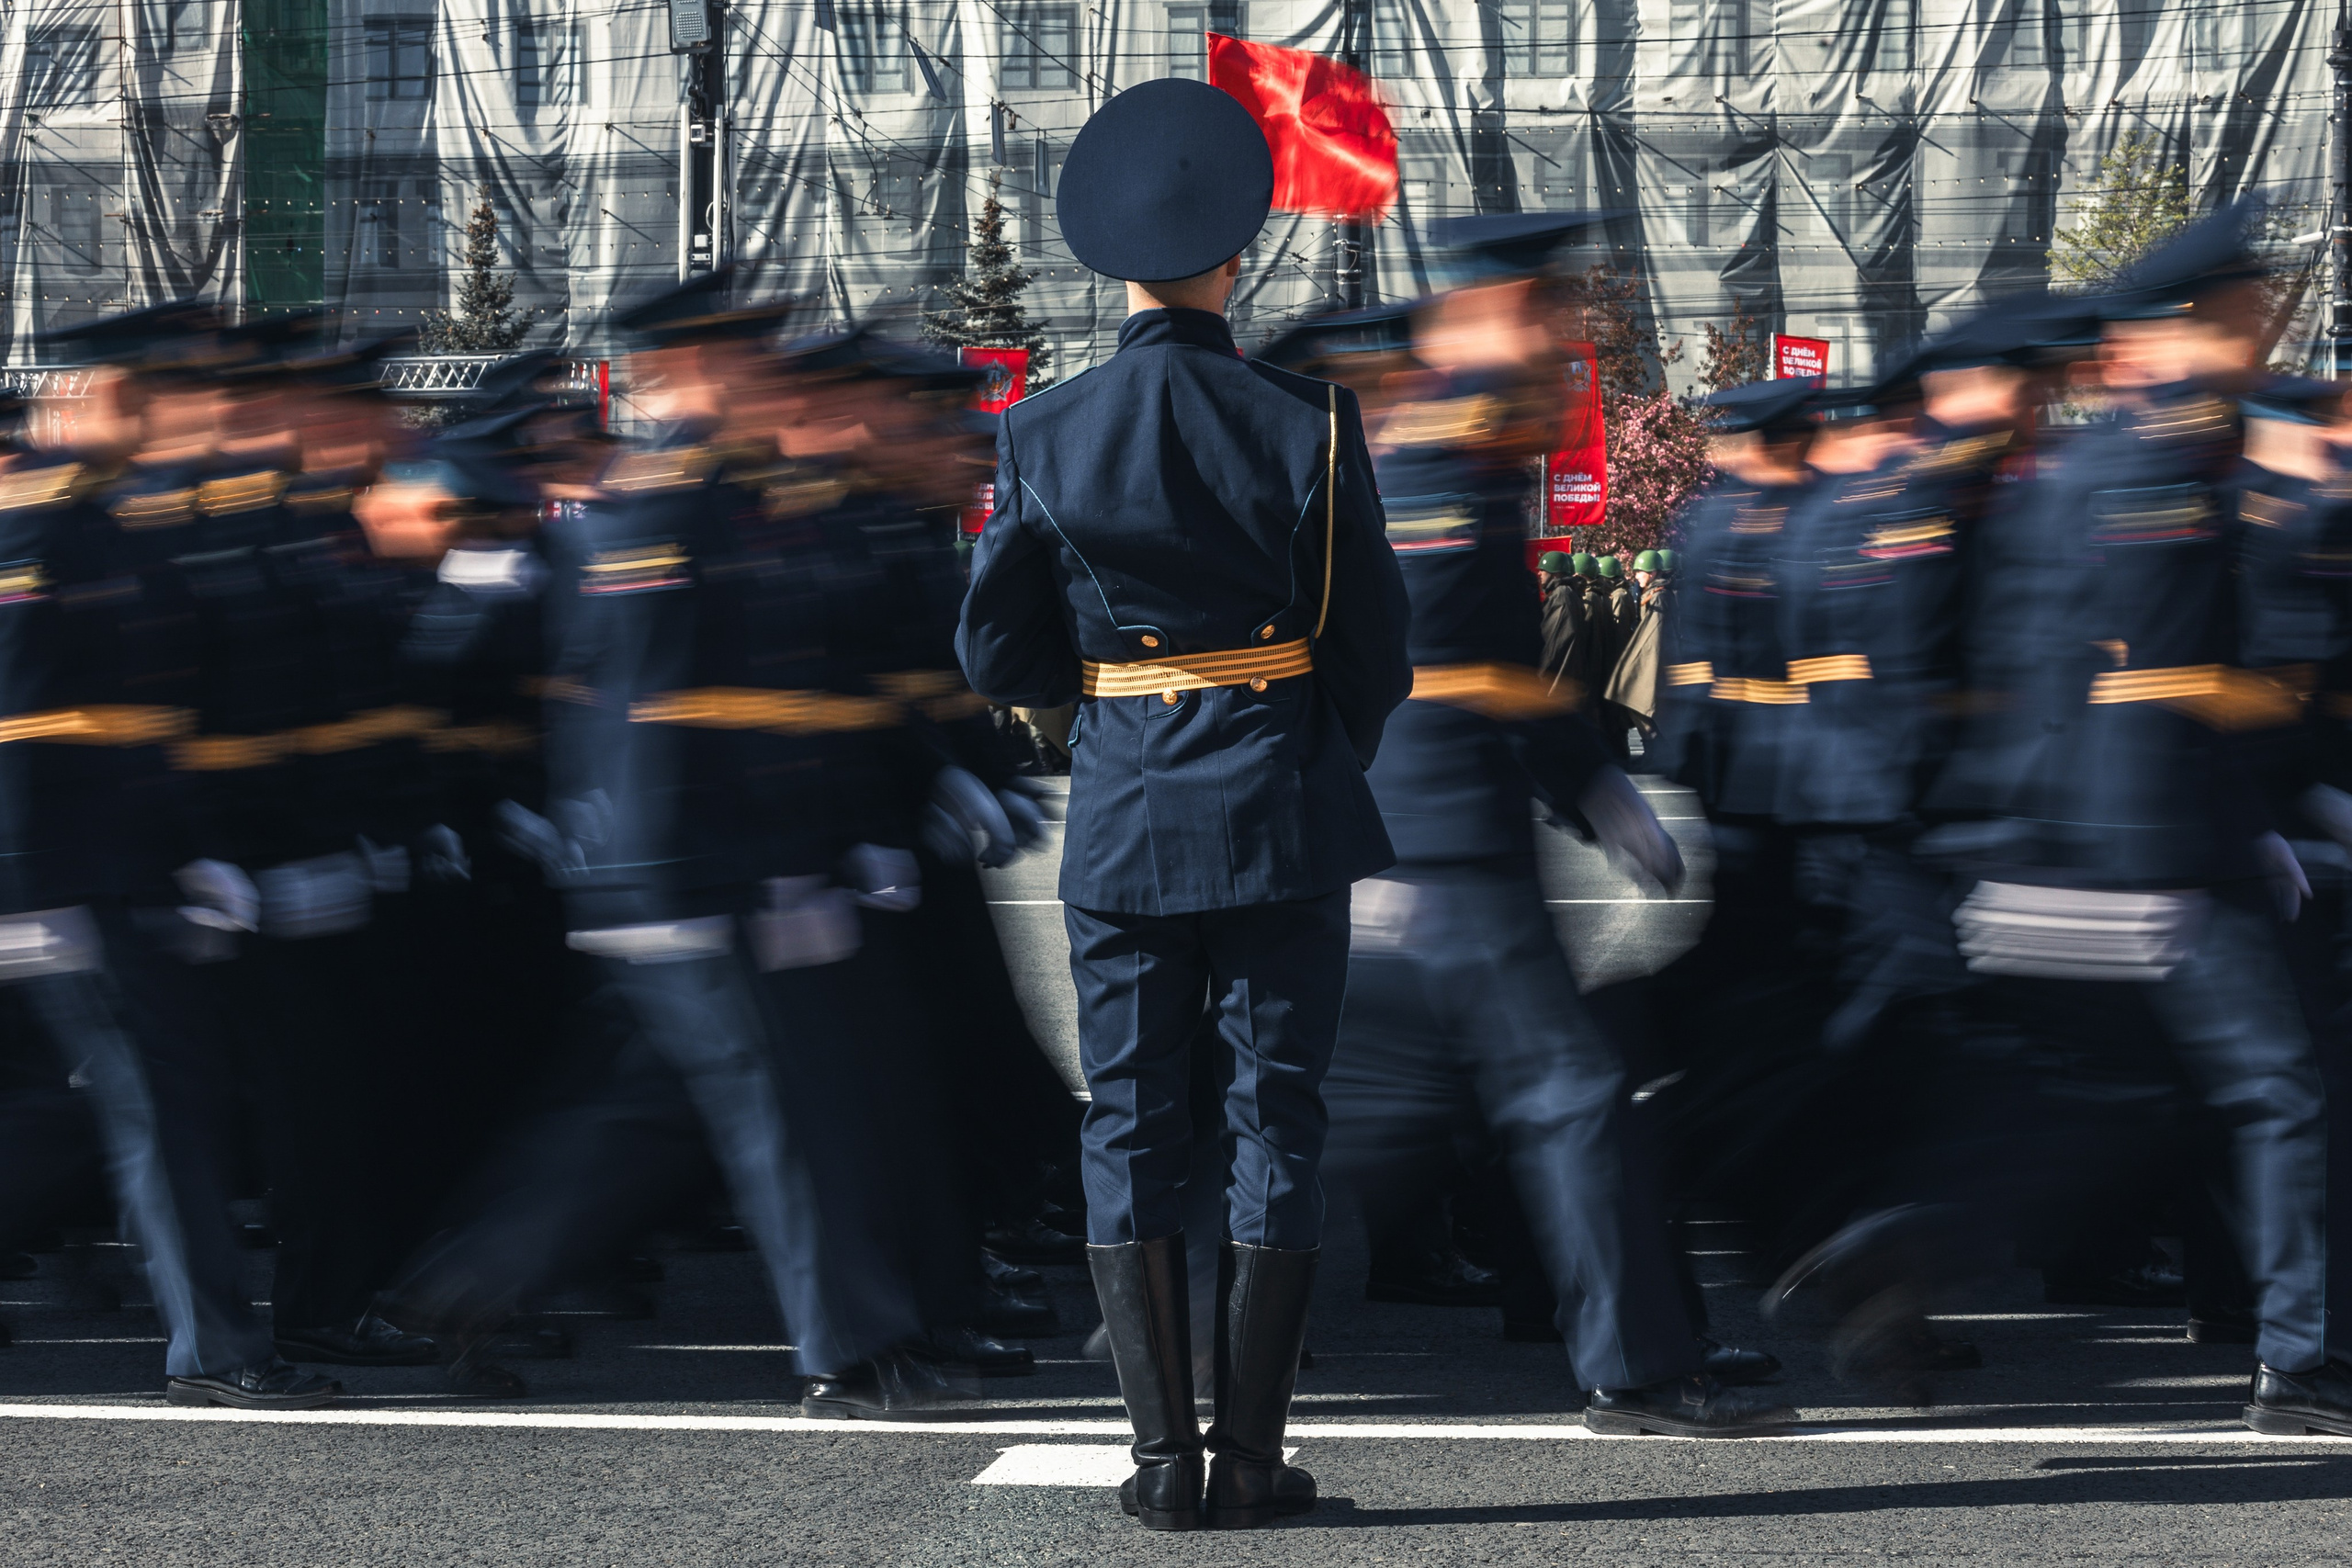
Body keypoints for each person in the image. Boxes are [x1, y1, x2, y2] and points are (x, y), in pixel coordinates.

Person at [956, 77, 1412, 1530]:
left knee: (1133, 1117)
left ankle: (1160, 1461)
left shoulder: (1044, 432)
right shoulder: (1313, 421)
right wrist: (1298, 734)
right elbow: (1370, 647)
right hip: (1280, 791)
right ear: (1239, 253)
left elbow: (994, 647)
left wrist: (1101, 704)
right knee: (1278, 1117)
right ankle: (1254, 1454)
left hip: (1126, 806)